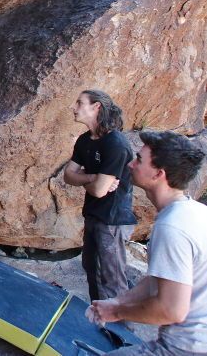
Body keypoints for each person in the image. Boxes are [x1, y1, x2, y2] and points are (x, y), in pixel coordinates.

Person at [90, 130, 207, 355]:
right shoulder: (195, 211)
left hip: (185, 348)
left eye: (139, 160)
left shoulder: (171, 227)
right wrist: (117, 301)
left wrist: (117, 313)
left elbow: (171, 310)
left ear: (158, 174)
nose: (132, 164)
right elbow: (161, 278)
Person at [64, 90, 137, 302]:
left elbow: (98, 190)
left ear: (96, 107)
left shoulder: (115, 143)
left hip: (112, 219)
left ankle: (122, 332)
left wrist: (87, 180)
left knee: (112, 278)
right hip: (93, 214)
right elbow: (68, 176)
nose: (74, 107)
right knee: (91, 269)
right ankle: (100, 320)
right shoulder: (84, 140)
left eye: (79, 103)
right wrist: (93, 177)